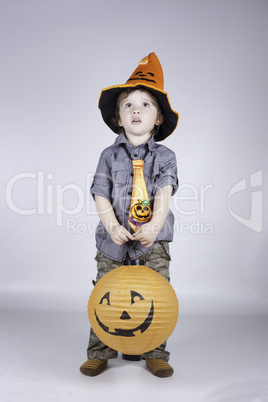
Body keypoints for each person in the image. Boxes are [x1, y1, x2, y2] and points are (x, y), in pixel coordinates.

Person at [80, 53, 179, 378]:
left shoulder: (166, 156)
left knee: (156, 292)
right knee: (106, 292)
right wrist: (111, 225)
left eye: (146, 105)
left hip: (154, 239)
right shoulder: (108, 156)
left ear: (159, 118)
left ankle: (154, 351)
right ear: (119, 118)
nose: (137, 110)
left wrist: (154, 225)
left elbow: (164, 192)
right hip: (114, 242)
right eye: (129, 105)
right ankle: (100, 350)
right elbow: (100, 193)